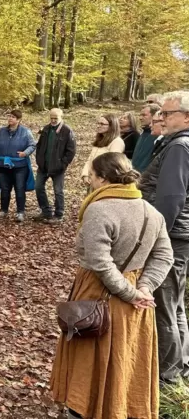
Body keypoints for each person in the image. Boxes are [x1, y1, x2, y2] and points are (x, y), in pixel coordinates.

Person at [50, 152, 172, 419]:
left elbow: (100, 263)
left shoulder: (99, 208)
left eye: (91, 176)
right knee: (124, 356)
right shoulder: (152, 212)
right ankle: (115, 409)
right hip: (138, 299)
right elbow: (164, 256)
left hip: (99, 293)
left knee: (91, 356)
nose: (89, 181)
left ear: (103, 179)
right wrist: (144, 288)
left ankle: (82, 410)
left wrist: (132, 293)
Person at [138, 91, 189, 384]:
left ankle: (168, 377)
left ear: (186, 116)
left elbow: (171, 197)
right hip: (177, 235)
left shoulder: (180, 147)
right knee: (176, 304)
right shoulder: (177, 144)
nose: (162, 118)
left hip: (170, 237)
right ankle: (179, 367)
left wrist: (155, 239)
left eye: (168, 114)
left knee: (166, 306)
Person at [0, 109, 36, 222]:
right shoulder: (1, 131)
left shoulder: (25, 132)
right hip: (3, 165)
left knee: (19, 188)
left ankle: (20, 212)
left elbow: (32, 145)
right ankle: (3, 210)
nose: (10, 118)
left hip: (20, 166)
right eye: (9, 116)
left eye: (13, 117)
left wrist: (25, 153)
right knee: (4, 189)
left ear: (19, 120)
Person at [34, 108, 76, 224]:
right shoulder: (46, 129)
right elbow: (40, 145)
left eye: (55, 118)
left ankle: (59, 214)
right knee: (38, 187)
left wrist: (63, 164)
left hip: (58, 167)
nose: (53, 120)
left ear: (61, 117)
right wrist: (39, 160)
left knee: (58, 190)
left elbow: (71, 151)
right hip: (43, 166)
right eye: (51, 118)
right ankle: (46, 211)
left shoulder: (67, 131)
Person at [81, 113, 124, 185]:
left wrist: (100, 179)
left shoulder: (117, 142)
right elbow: (90, 159)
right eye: (98, 123)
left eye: (102, 124)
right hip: (93, 179)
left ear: (111, 126)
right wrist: (85, 175)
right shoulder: (100, 140)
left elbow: (112, 164)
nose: (98, 126)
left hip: (103, 182)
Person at [132, 104, 162, 172]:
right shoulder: (143, 133)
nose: (140, 118)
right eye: (140, 115)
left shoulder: (158, 136)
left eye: (144, 115)